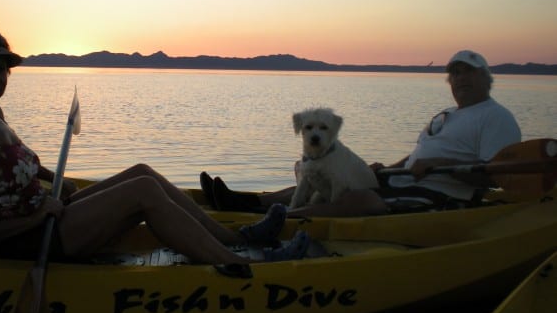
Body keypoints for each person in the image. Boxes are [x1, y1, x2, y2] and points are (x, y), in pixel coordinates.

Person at [0, 22, 310, 265]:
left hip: (44, 215)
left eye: (1, 68)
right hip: (25, 239)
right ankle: (236, 262)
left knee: (143, 172)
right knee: (142, 191)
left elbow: (15, 165)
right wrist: (36, 215)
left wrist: (55, 180)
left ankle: (236, 239)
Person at [201, 50, 521, 215]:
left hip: (443, 194)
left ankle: (284, 218)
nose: (461, 79)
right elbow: (418, 155)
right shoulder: (448, 115)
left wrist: (435, 167)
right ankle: (249, 203)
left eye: (469, 73)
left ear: (486, 78)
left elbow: (494, 177)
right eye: (456, 74)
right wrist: (388, 167)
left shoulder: (496, 118)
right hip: (406, 179)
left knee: (361, 198)